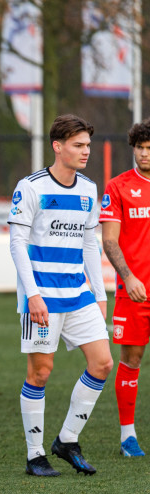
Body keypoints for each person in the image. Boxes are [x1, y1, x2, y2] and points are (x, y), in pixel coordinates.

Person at [7, 114, 112, 477]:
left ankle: (67, 440)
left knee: (102, 364)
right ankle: (35, 454)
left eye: (87, 145)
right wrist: (32, 295)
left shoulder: (87, 189)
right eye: (78, 145)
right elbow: (17, 244)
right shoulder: (31, 186)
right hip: (42, 297)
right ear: (58, 146)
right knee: (41, 373)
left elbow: (88, 243)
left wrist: (99, 294)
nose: (86, 152)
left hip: (78, 294)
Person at [100, 119, 150, 457]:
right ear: (133, 149)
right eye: (140, 148)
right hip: (135, 292)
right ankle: (127, 436)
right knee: (131, 359)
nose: (145, 154)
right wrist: (128, 276)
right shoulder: (118, 187)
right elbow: (109, 240)